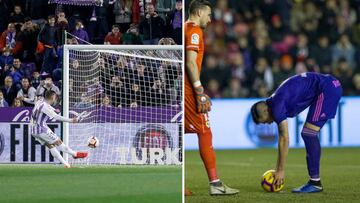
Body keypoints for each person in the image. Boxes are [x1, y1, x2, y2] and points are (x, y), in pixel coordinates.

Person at [251, 72, 343, 193]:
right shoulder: (275, 101)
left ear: (264, 111)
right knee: (308, 134)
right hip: (328, 85)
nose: (267, 123)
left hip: (327, 89)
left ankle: (315, 182)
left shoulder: (276, 107)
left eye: (263, 121)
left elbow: (284, 138)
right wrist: (279, 168)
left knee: (308, 134)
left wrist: (280, 170)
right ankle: (315, 181)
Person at [184, 0, 238, 196]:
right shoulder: (194, 31)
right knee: (205, 131)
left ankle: (177, 182)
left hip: (183, 89)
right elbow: (190, 63)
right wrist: (199, 90)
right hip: (189, 91)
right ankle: (215, 184)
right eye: (208, 14)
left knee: (178, 132)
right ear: (198, 12)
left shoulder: (184, 29)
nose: (210, 18)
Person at [30, 90, 88, 168]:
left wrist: (55, 110)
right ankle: (75, 154)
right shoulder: (45, 106)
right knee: (58, 142)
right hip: (41, 129)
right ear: (53, 97)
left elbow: (49, 109)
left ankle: (66, 164)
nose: (55, 99)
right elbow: (56, 117)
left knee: (50, 145)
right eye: (55, 97)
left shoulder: (40, 101)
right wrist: (71, 120)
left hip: (33, 130)